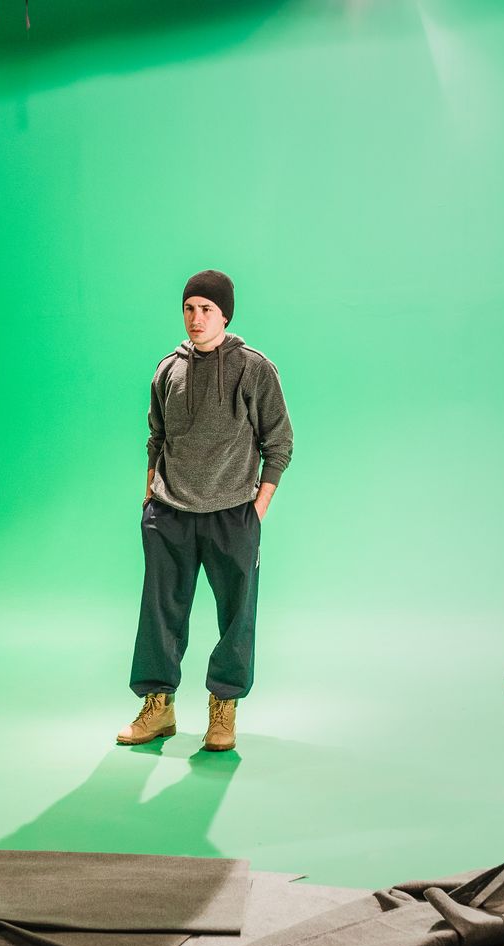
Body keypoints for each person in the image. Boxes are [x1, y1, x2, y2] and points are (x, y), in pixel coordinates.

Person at [119, 270, 293, 752]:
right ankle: (158, 706)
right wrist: (149, 497)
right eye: (189, 309)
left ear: (225, 315)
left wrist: (258, 507)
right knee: (159, 612)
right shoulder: (168, 370)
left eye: (207, 309)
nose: (196, 318)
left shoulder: (254, 369)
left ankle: (224, 707)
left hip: (232, 513)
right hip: (170, 513)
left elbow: (279, 443)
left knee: (237, 614)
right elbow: (156, 437)